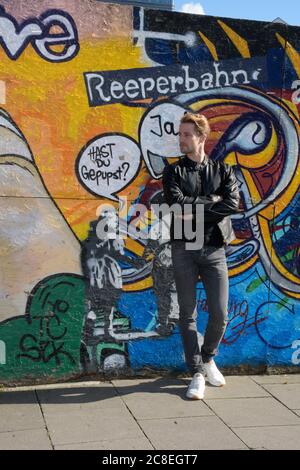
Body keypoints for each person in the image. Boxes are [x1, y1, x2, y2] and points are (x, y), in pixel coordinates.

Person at [162, 112, 241, 399]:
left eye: (186, 134)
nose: (180, 139)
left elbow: (232, 203)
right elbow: (176, 205)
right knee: (187, 314)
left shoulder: (224, 171)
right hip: (183, 249)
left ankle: (208, 358)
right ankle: (196, 372)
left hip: (215, 249)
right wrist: (213, 201)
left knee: (220, 314)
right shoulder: (173, 172)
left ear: (201, 137)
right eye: (180, 134)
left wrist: (194, 208)